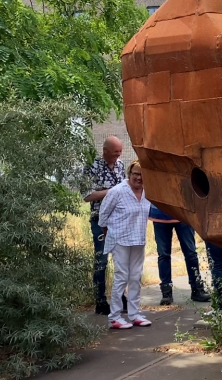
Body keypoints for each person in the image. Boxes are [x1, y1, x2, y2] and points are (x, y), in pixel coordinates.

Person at [99, 160, 152, 329]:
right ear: (129, 173)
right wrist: (110, 236)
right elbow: (103, 215)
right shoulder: (117, 191)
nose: (139, 178)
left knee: (135, 277)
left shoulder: (148, 192)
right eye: (136, 174)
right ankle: (114, 317)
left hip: (138, 239)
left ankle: (134, 314)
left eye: (143, 175)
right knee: (121, 276)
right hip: (120, 239)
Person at [83, 136, 125, 315]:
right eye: (115, 152)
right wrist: (112, 192)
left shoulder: (121, 165)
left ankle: (121, 298)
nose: (118, 155)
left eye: (120, 151)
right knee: (101, 261)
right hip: (100, 221)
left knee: (122, 261)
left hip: (120, 220)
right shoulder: (92, 167)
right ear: (105, 150)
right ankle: (100, 301)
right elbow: (87, 195)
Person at [149, 204, 211, 305]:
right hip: (160, 215)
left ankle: (197, 289)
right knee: (163, 254)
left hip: (183, 214)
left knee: (190, 253)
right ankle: (166, 292)